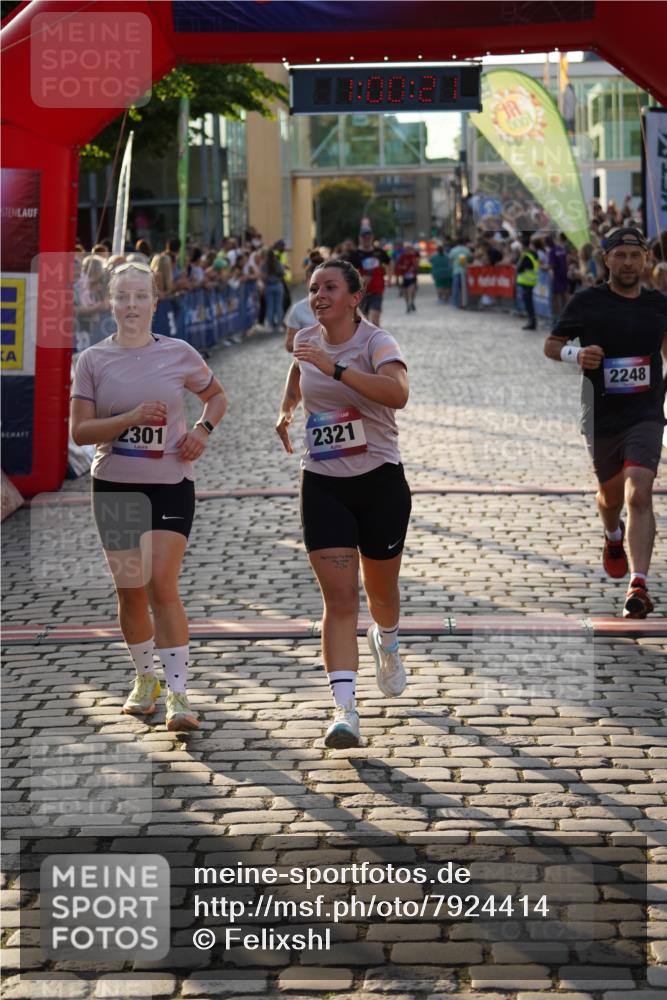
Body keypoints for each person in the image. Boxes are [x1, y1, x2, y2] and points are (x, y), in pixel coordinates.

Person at [70, 261, 227, 730]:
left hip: (170, 482)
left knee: (161, 583)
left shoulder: (179, 352)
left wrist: (202, 430)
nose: (132, 305)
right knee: (131, 590)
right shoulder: (92, 360)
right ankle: (145, 679)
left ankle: (179, 693)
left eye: (141, 296)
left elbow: (217, 397)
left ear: (155, 303)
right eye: (123, 297)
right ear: (110, 303)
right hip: (115, 484)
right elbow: (80, 431)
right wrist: (129, 418)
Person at [275, 258, 411, 749]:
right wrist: (286, 408)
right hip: (323, 482)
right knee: (339, 600)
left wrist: (335, 368)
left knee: (381, 594)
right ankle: (344, 710)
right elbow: (298, 371)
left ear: (355, 297)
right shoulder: (306, 340)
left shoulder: (377, 343)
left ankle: (387, 640)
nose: (319, 295)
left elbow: (397, 394)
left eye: (330, 287)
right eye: (314, 288)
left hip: (379, 481)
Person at [544, 226, 667, 618]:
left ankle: (639, 584)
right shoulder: (587, 302)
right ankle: (613, 535)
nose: (628, 263)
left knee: (639, 493)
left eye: (635, 255)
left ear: (646, 259)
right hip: (601, 414)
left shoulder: (659, 304)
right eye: (620, 255)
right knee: (611, 497)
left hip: (647, 413)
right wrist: (577, 355)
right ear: (606, 259)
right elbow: (551, 345)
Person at [284, 250, 325, 352]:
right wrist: (310, 343)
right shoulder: (298, 309)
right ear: (307, 282)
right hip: (309, 360)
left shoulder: (341, 306)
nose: (320, 287)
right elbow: (289, 345)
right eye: (314, 282)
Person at [348, 227, 390, 326]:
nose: (366, 239)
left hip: (377, 290)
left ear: (372, 237)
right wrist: (359, 279)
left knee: (375, 318)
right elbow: (347, 272)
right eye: (364, 237)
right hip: (360, 293)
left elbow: (389, 262)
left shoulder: (379, 252)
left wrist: (390, 278)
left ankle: (377, 336)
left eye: (368, 237)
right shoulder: (354, 255)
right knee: (364, 322)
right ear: (360, 238)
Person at [516, 236, 539, 330]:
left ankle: (532, 322)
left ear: (522, 245)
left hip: (527, 282)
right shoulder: (533, 254)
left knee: (528, 304)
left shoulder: (526, 255)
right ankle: (532, 321)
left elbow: (519, 268)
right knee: (529, 303)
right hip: (532, 281)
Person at [260, 248, 286, 331]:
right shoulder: (277, 263)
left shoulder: (264, 264)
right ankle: (279, 325)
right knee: (279, 306)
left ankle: (270, 326)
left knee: (269, 306)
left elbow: (262, 276)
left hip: (268, 286)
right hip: (277, 285)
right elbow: (283, 273)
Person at [394, 242, 420, 313]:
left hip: (412, 277)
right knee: (405, 292)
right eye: (407, 249)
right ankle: (408, 304)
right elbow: (398, 265)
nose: (409, 250)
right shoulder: (402, 257)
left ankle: (411, 301)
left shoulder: (414, 256)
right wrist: (403, 267)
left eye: (410, 249)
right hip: (405, 277)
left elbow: (417, 267)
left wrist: (415, 266)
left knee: (411, 291)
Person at [448, 238, 471, 309]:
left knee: (456, 288)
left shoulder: (453, 250)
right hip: (465, 271)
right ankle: (464, 302)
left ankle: (455, 303)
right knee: (464, 288)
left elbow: (450, 259)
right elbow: (470, 259)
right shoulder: (466, 250)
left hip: (456, 271)